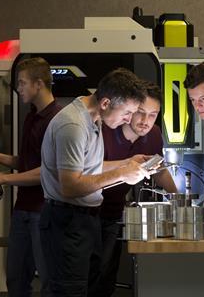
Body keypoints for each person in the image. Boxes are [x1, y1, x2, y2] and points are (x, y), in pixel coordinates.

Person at [39, 68, 152, 297]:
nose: (129, 120)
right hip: (66, 222)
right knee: (69, 291)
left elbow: (90, 167)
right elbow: (70, 186)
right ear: (106, 102)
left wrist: (127, 163)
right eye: (127, 112)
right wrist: (122, 175)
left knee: (90, 289)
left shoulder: (94, 118)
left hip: (86, 221)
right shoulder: (73, 125)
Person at [0, 57, 62, 297]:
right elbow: (27, 161)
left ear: (39, 84)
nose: (18, 88)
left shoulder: (57, 121)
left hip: (43, 212)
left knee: (48, 282)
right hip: (22, 210)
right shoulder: (31, 116)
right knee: (15, 280)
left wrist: (1, 179)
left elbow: (47, 171)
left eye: (22, 83)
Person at [90, 80, 178, 297]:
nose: (145, 121)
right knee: (85, 277)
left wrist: (179, 198)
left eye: (153, 114)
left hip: (114, 213)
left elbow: (158, 169)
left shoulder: (154, 134)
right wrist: (127, 163)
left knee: (105, 278)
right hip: (86, 211)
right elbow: (87, 168)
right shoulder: (106, 128)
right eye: (140, 112)